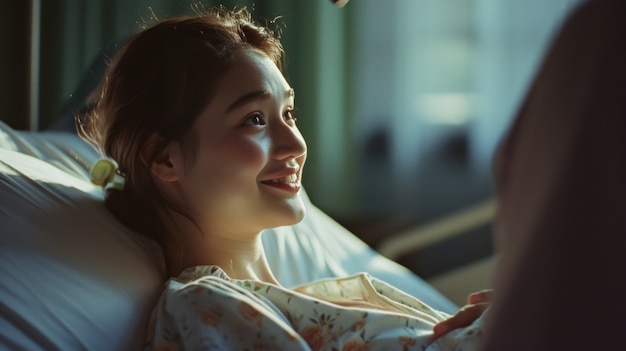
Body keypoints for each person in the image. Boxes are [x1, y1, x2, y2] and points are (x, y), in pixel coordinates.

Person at [79, 6, 486, 351]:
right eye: (254, 119)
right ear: (163, 158)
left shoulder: (318, 299)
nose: (296, 144)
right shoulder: (204, 305)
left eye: (288, 114)